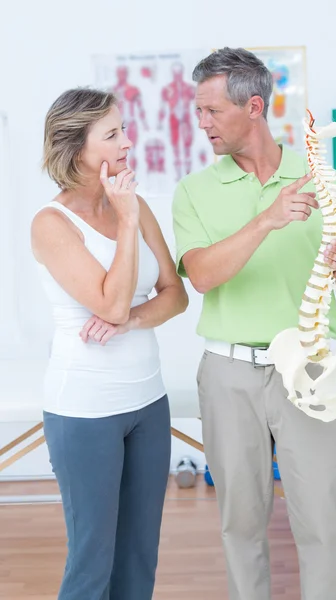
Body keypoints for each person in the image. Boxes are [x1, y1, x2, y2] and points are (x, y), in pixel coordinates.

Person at [172, 47, 336, 600]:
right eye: (199, 110)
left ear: (254, 106)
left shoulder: (322, 179)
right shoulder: (194, 192)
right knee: (240, 523)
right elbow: (203, 277)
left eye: (212, 110)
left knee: (322, 524)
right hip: (228, 373)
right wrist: (267, 218)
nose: (202, 122)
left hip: (309, 370)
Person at [31, 87, 188, 600]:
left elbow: (175, 295)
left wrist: (133, 321)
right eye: (113, 133)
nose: (127, 141)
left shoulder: (136, 204)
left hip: (148, 402)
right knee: (92, 562)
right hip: (85, 411)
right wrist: (123, 222)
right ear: (78, 148)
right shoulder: (52, 225)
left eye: (124, 129)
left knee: (139, 558)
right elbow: (111, 304)